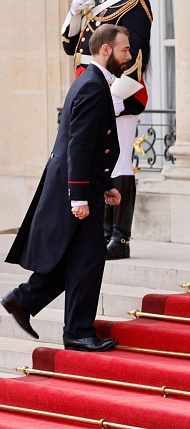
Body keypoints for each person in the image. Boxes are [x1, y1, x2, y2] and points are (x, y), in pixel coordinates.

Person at [2, 24, 131, 352]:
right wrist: (79, 196)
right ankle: (77, 331)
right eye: (125, 50)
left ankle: (24, 300)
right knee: (88, 259)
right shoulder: (91, 85)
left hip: (84, 187)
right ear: (106, 50)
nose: (129, 56)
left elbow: (90, 147)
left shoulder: (92, 81)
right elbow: (79, 145)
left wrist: (103, 187)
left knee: (77, 258)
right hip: (76, 191)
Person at [61, 0, 153, 260]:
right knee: (101, 160)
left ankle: (120, 237)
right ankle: (103, 233)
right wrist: (75, 13)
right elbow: (71, 48)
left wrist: (113, 97)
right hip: (91, 84)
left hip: (118, 92)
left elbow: (134, 54)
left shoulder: (135, 3)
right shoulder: (97, 4)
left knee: (121, 161)